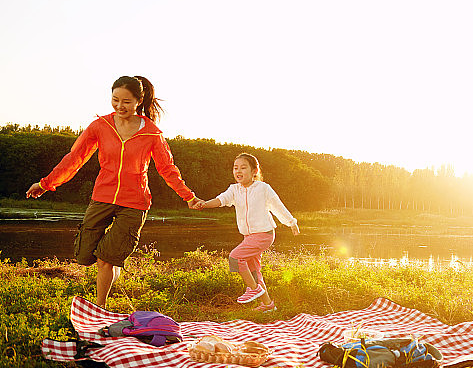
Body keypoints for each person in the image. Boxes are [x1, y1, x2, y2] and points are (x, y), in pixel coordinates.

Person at [26, 76, 201, 308]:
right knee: (84, 255)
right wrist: (45, 184)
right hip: (102, 197)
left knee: (105, 259)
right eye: (115, 99)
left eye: (126, 102)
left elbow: (167, 169)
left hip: (134, 202)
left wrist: (188, 196)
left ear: (139, 101)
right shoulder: (101, 126)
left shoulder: (152, 133)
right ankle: (113, 266)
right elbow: (75, 158)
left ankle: (100, 306)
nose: (120, 106)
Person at [195, 153, 300, 311]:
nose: (238, 171)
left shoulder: (263, 188)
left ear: (254, 171)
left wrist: (291, 222)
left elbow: (277, 205)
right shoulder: (234, 189)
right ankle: (268, 305)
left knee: (235, 257)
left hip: (264, 234)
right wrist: (204, 204)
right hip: (248, 237)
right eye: (235, 168)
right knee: (253, 271)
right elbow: (221, 200)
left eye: (243, 168)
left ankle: (253, 289)